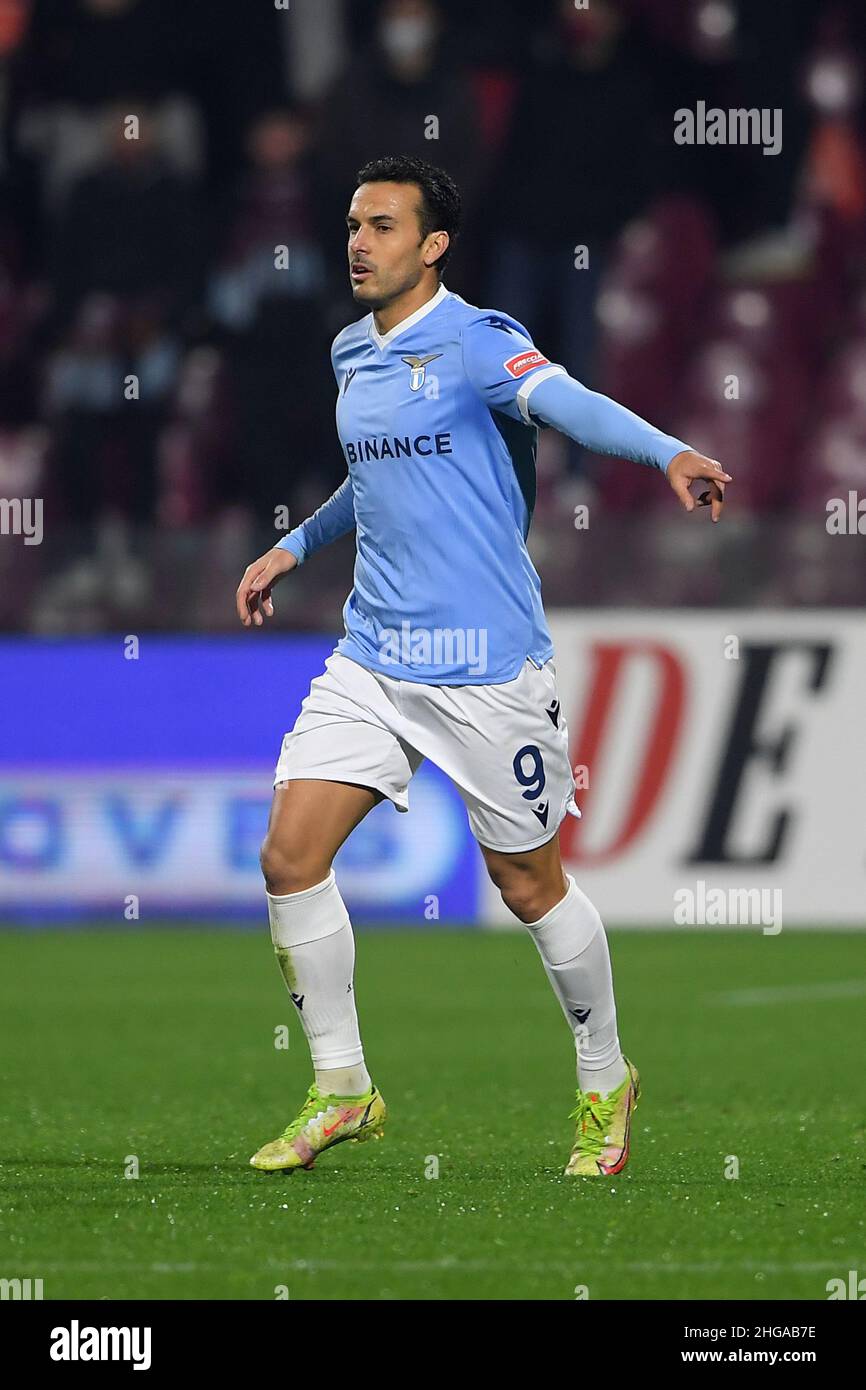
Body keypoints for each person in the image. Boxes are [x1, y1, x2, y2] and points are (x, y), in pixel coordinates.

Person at [236, 156, 731, 1178]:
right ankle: (342, 1088)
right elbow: (368, 480)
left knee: (527, 881)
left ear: (433, 244)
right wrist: (295, 547)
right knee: (289, 856)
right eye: (350, 223)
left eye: (380, 225)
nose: (357, 242)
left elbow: (572, 402)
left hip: (484, 669)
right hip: (373, 656)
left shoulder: (476, 340)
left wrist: (666, 452)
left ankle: (603, 1078)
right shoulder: (348, 351)